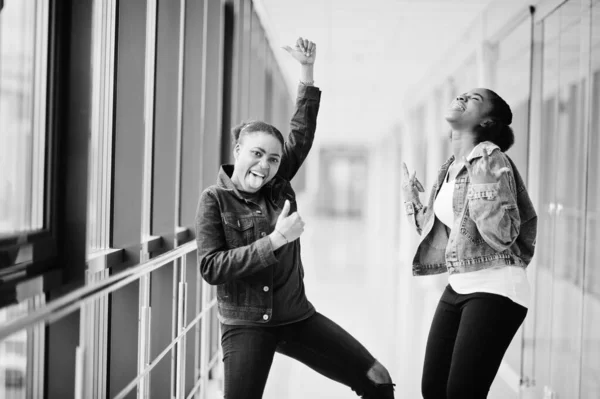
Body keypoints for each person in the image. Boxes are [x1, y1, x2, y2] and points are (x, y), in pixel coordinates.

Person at [195, 37, 395, 399]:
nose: (265, 165)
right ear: (238, 150)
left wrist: (306, 71)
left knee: (377, 378)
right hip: (246, 324)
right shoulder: (215, 200)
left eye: (273, 159)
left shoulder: (277, 184)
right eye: (257, 153)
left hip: (296, 316)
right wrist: (275, 241)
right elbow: (211, 267)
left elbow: (301, 134)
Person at [402, 89, 538, 399]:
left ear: (487, 121)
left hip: (497, 287)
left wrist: (482, 180)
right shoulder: (450, 167)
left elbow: (502, 236)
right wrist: (411, 198)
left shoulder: (490, 158)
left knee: (462, 393)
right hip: (460, 284)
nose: (462, 98)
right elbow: (437, 231)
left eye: (474, 99)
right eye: (462, 94)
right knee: (433, 390)